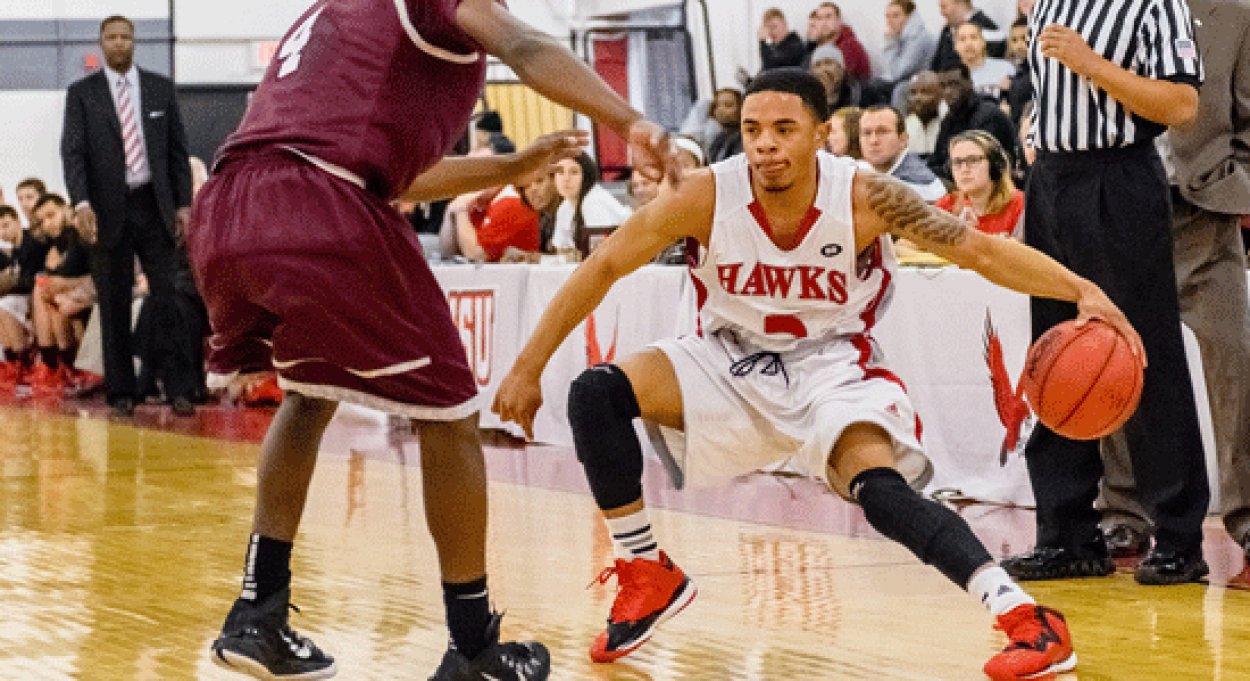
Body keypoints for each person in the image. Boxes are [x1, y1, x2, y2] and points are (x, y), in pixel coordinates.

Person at [492, 67, 1142, 681]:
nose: (765, 146)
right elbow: (603, 267)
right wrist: (527, 367)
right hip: (728, 357)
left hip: (832, 364)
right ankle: (644, 567)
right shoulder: (707, 196)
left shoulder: (865, 196)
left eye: (783, 130)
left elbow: (978, 251)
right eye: (752, 131)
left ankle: (1025, 616)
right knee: (596, 394)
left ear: (822, 133)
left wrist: (1083, 290)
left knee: (882, 492)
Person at [187, 0, 678, 678]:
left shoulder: (331, 16)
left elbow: (393, 176)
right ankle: (473, 647)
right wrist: (630, 121)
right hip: (320, 202)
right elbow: (525, 47)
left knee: (308, 395)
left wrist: (511, 167)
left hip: (232, 205)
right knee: (450, 418)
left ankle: (256, 612)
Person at [1000, 0, 1211, 586]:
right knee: (1054, 354)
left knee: (1145, 355)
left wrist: (1092, 64)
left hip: (1119, 179)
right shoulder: (1046, 3)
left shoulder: (1153, 4)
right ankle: (1067, 536)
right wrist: (1037, 135)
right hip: (1052, 183)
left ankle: (1178, 538)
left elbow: (1182, 106)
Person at [1097, 0, 1250, 565]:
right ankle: (1122, 512)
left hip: (1203, 214)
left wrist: (1237, 185)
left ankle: (1247, 513)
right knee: (1116, 365)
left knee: (1236, 362)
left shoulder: (1236, 16)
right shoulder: (1108, 12)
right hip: (1122, 205)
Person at [61, 15, 193, 418]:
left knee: (168, 299)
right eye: (111, 37)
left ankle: (179, 387)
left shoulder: (159, 88)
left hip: (154, 205)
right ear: (101, 43)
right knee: (113, 301)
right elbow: (73, 152)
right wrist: (81, 203)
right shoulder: (82, 94)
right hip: (106, 209)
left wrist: (184, 205)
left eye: (125, 37)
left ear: (134, 42)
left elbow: (176, 151)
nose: (119, 43)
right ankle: (120, 391)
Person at [27, 194, 95, 393]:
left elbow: (75, 271)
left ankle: (56, 365)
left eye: (51, 215)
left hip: (99, 288)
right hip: (82, 289)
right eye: (42, 221)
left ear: (66, 209)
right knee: (46, 290)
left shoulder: (79, 233)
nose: (47, 224)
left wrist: (56, 276)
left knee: (48, 291)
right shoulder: (60, 241)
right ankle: (60, 366)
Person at [927, 64, 1017, 181]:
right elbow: (935, 162)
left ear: (969, 82)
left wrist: (944, 169)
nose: (948, 91)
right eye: (943, 86)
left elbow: (982, 166)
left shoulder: (988, 115)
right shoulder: (948, 120)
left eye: (954, 84)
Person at [935, 131, 1023, 236]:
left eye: (973, 160)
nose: (964, 169)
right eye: (957, 162)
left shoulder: (1020, 206)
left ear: (995, 166)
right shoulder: (945, 206)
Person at [551, 153, 631, 259]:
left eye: (574, 172)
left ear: (586, 176)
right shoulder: (564, 207)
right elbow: (561, 250)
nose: (566, 178)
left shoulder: (593, 201)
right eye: (560, 172)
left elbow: (599, 253)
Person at [858, 105, 946, 202]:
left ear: (903, 139)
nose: (873, 141)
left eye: (882, 132)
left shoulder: (923, 186)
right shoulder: (857, 169)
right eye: (866, 133)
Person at [0, 205, 42, 385]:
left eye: (5, 225)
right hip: (25, 295)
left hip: (36, 295)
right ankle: (13, 362)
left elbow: (29, 282)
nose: (1, 231)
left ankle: (21, 360)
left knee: (4, 304)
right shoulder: (15, 248)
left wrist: (8, 283)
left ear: (17, 222)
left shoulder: (30, 243)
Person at [882, 0, 937, 110]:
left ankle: (896, 123)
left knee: (900, 90)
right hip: (907, 79)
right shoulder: (902, 36)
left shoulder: (919, 37)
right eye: (887, 17)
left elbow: (898, 73)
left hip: (921, 81)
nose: (889, 21)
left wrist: (890, 42)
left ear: (909, 17)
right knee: (873, 85)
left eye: (895, 16)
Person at [932, 0, 1005, 73]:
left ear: (960, 3)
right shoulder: (947, 30)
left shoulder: (989, 31)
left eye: (944, 7)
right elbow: (935, 65)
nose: (941, 13)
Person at [806, 2, 871, 81]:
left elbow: (835, 81)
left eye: (828, 17)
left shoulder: (850, 46)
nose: (823, 23)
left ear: (839, 20)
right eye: (820, 18)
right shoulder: (823, 46)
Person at [955, 22, 1016, 101]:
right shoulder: (953, 77)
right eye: (962, 39)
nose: (968, 43)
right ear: (955, 46)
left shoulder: (1005, 68)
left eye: (973, 37)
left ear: (983, 42)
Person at [904, 71, 947, 159]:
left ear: (941, 95)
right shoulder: (906, 125)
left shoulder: (950, 123)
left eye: (925, 92)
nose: (918, 98)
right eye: (913, 93)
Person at [758, 7, 806, 72]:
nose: (771, 32)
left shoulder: (795, 46)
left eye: (774, 27)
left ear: (785, 24)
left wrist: (763, 42)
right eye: (768, 28)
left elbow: (771, 68)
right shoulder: (775, 49)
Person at [706, 89, 744, 163]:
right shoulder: (719, 138)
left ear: (741, 108)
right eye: (717, 105)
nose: (720, 109)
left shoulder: (743, 138)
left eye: (728, 105)